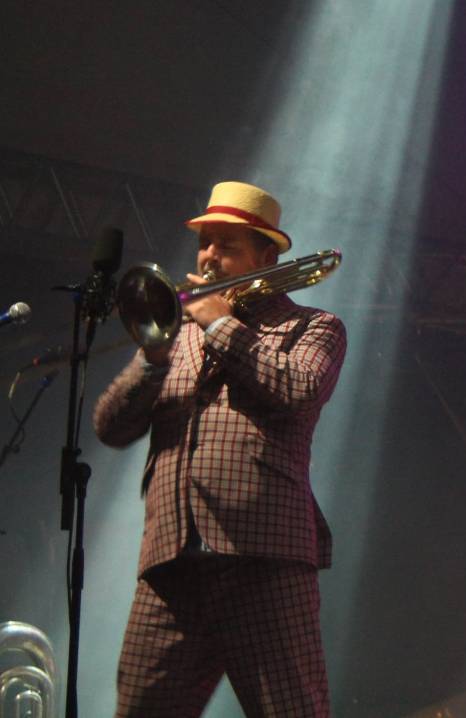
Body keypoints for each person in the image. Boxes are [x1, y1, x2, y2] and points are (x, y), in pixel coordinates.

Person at [94, 181, 346, 716]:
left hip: (263, 561)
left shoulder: (313, 327)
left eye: (226, 245)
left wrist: (222, 325)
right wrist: (152, 358)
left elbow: (298, 391)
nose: (208, 256)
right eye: (204, 243)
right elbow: (110, 427)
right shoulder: (176, 335)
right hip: (171, 566)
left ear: (266, 257)